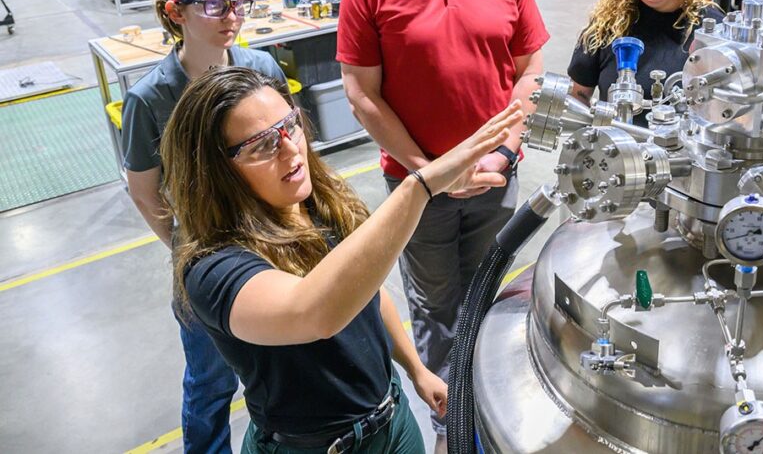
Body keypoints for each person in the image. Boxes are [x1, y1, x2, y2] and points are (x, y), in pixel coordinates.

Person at [162, 66, 523, 453]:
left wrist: (416, 370)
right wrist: (421, 186)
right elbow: (313, 312)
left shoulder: (315, 204)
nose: (291, 149)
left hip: (392, 421)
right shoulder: (213, 266)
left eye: (291, 125)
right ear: (214, 170)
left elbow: (368, 294)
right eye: (262, 145)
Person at [336, 0, 549, 449]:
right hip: (417, 187)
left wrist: (504, 152)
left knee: (490, 295)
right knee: (434, 311)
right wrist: (432, 172)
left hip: (495, 178)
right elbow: (362, 94)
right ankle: (450, 430)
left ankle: (488, 412)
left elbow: (529, 69)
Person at [121, 0, 287, 453]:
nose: (233, 18)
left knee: (282, 367)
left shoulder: (261, 68)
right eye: (217, 6)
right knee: (211, 384)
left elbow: (292, 147)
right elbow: (144, 190)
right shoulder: (151, 98)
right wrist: (189, 249)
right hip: (208, 262)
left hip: (275, 244)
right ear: (177, 11)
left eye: (239, 4)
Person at [568, 0, 723, 124]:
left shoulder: (712, 26)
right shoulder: (607, 26)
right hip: (618, 151)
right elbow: (578, 96)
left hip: (684, 154)